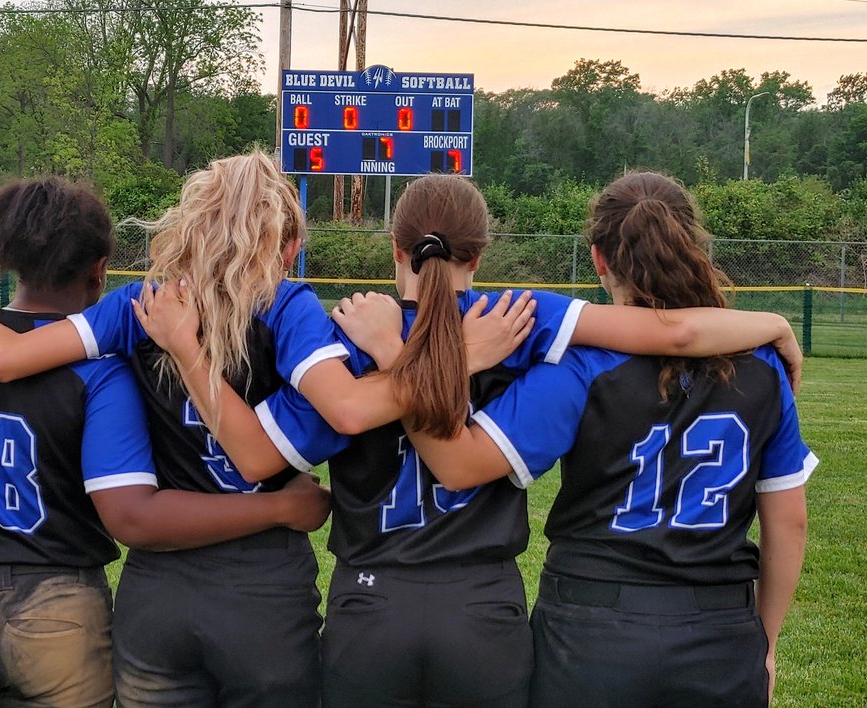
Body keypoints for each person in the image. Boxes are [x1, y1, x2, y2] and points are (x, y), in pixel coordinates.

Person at [0, 152, 799, 707]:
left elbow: (5, 354)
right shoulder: (510, 317)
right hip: (468, 601)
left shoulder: (282, 321)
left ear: (396, 244)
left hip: (339, 598)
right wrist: (770, 324)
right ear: (479, 252)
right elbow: (672, 333)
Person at [343, 171, 814, 708]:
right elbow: (789, 521)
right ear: (691, 245)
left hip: (591, 619)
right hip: (719, 625)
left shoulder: (579, 365)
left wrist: (397, 360)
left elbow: (459, 464)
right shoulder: (763, 367)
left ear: (598, 259)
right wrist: (765, 641)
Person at [0, 177, 330, 708]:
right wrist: (282, 507)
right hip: (74, 602)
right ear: (98, 268)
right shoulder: (109, 368)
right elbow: (136, 510)